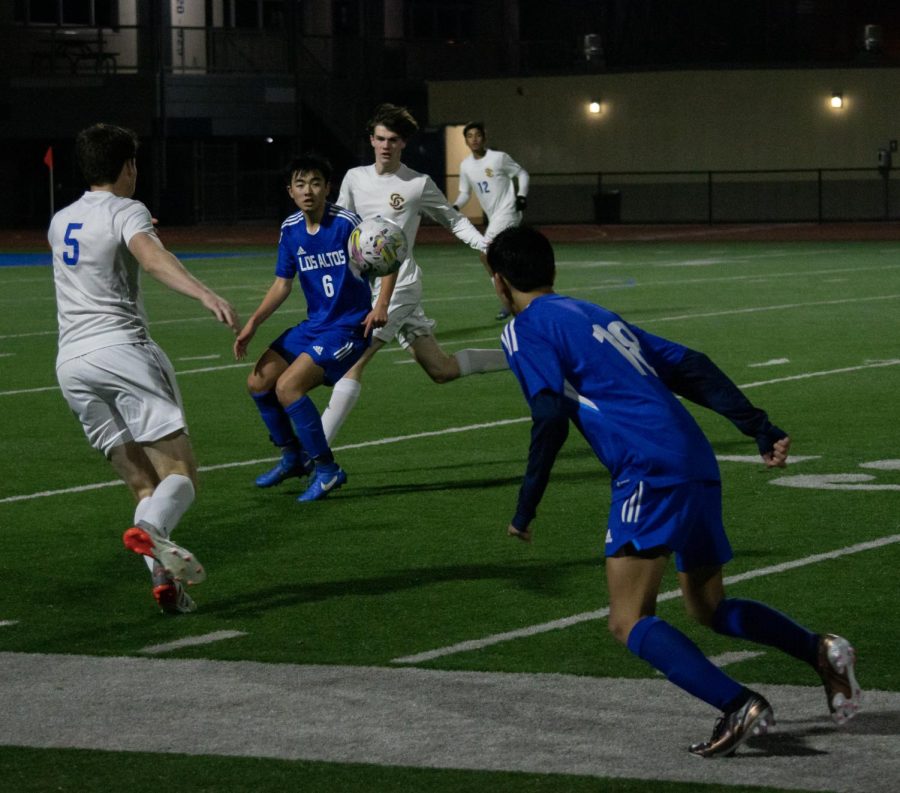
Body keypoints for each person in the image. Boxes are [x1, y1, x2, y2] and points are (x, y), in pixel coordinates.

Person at [486, 225, 861, 758]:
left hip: (648, 470)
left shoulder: (524, 330)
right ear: (552, 270)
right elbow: (690, 364)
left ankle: (738, 704)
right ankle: (818, 651)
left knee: (628, 619)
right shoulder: (595, 315)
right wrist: (757, 425)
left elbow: (548, 414)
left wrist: (526, 507)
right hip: (694, 459)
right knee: (707, 605)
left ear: (498, 282)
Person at [49, 123, 240, 614]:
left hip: (71, 363)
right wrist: (204, 292)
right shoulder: (126, 209)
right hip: (122, 352)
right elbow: (152, 259)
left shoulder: (60, 218)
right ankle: (152, 532)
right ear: (128, 166)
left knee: (144, 487)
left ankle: (166, 585)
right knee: (181, 475)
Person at [318, 103, 509, 445]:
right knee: (441, 369)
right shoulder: (354, 178)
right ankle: (519, 356)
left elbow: (454, 220)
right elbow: (341, 225)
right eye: (380, 138)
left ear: (403, 143)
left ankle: (314, 454)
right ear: (371, 140)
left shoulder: (417, 184)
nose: (385, 145)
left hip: (400, 285)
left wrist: (484, 245)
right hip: (364, 286)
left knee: (350, 362)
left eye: (393, 139)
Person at [233, 153, 377, 501]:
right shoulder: (291, 228)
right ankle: (292, 457)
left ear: (328, 187)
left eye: (315, 182)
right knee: (259, 382)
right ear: (290, 191)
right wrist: (253, 323)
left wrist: (382, 305)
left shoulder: (346, 224)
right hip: (315, 326)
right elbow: (283, 284)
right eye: (300, 184)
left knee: (289, 388)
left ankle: (327, 470)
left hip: (347, 329)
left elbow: (388, 257)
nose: (308, 190)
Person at [451, 121, 530, 321]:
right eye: (469, 136)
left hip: (508, 211)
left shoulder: (499, 158)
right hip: (494, 216)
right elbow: (464, 193)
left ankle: (506, 299)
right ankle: (516, 293)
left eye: (477, 135)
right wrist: (455, 207)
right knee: (504, 257)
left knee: (485, 253)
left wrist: (521, 195)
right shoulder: (466, 165)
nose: (474, 139)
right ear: (466, 141)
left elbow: (522, 173)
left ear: (484, 138)